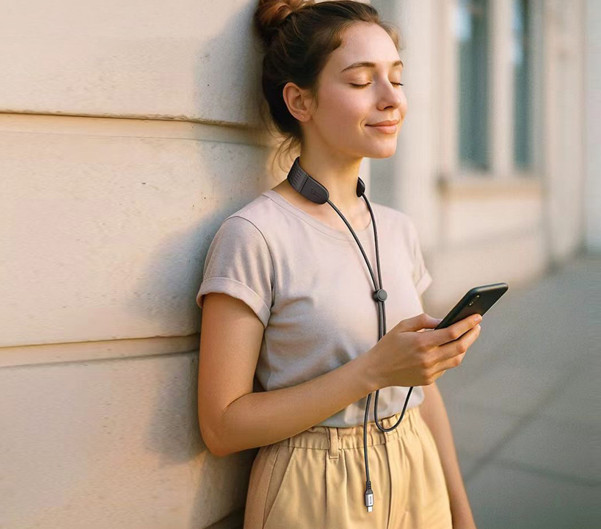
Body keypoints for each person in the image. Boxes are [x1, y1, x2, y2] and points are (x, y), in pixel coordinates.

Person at [196, 1, 483, 527]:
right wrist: (371, 371)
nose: (391, 98)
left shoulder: (397, 228)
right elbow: (221, 427)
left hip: (419, 473)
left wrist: (460, 512)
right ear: (299, 100)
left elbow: (419, 392)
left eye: (397, 78)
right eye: (360, 81)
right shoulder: (255, 235)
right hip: (313, 492)